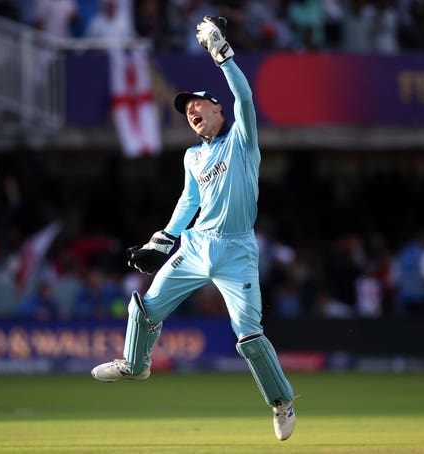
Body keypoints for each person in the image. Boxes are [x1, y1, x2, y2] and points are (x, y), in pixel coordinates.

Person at [90, 16, 296, 441]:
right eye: (186, 111)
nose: (192, 113)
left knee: (250, 337)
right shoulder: (192, 158)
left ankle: (281, 401)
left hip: (237, 250)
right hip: (197, 245)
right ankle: (135, 364)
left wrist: (222, 55)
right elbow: (189, 202)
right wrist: (161, 239)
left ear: (218, 108)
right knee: (143, 309)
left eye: (198, 105)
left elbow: (245, 97)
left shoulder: (243, 141)